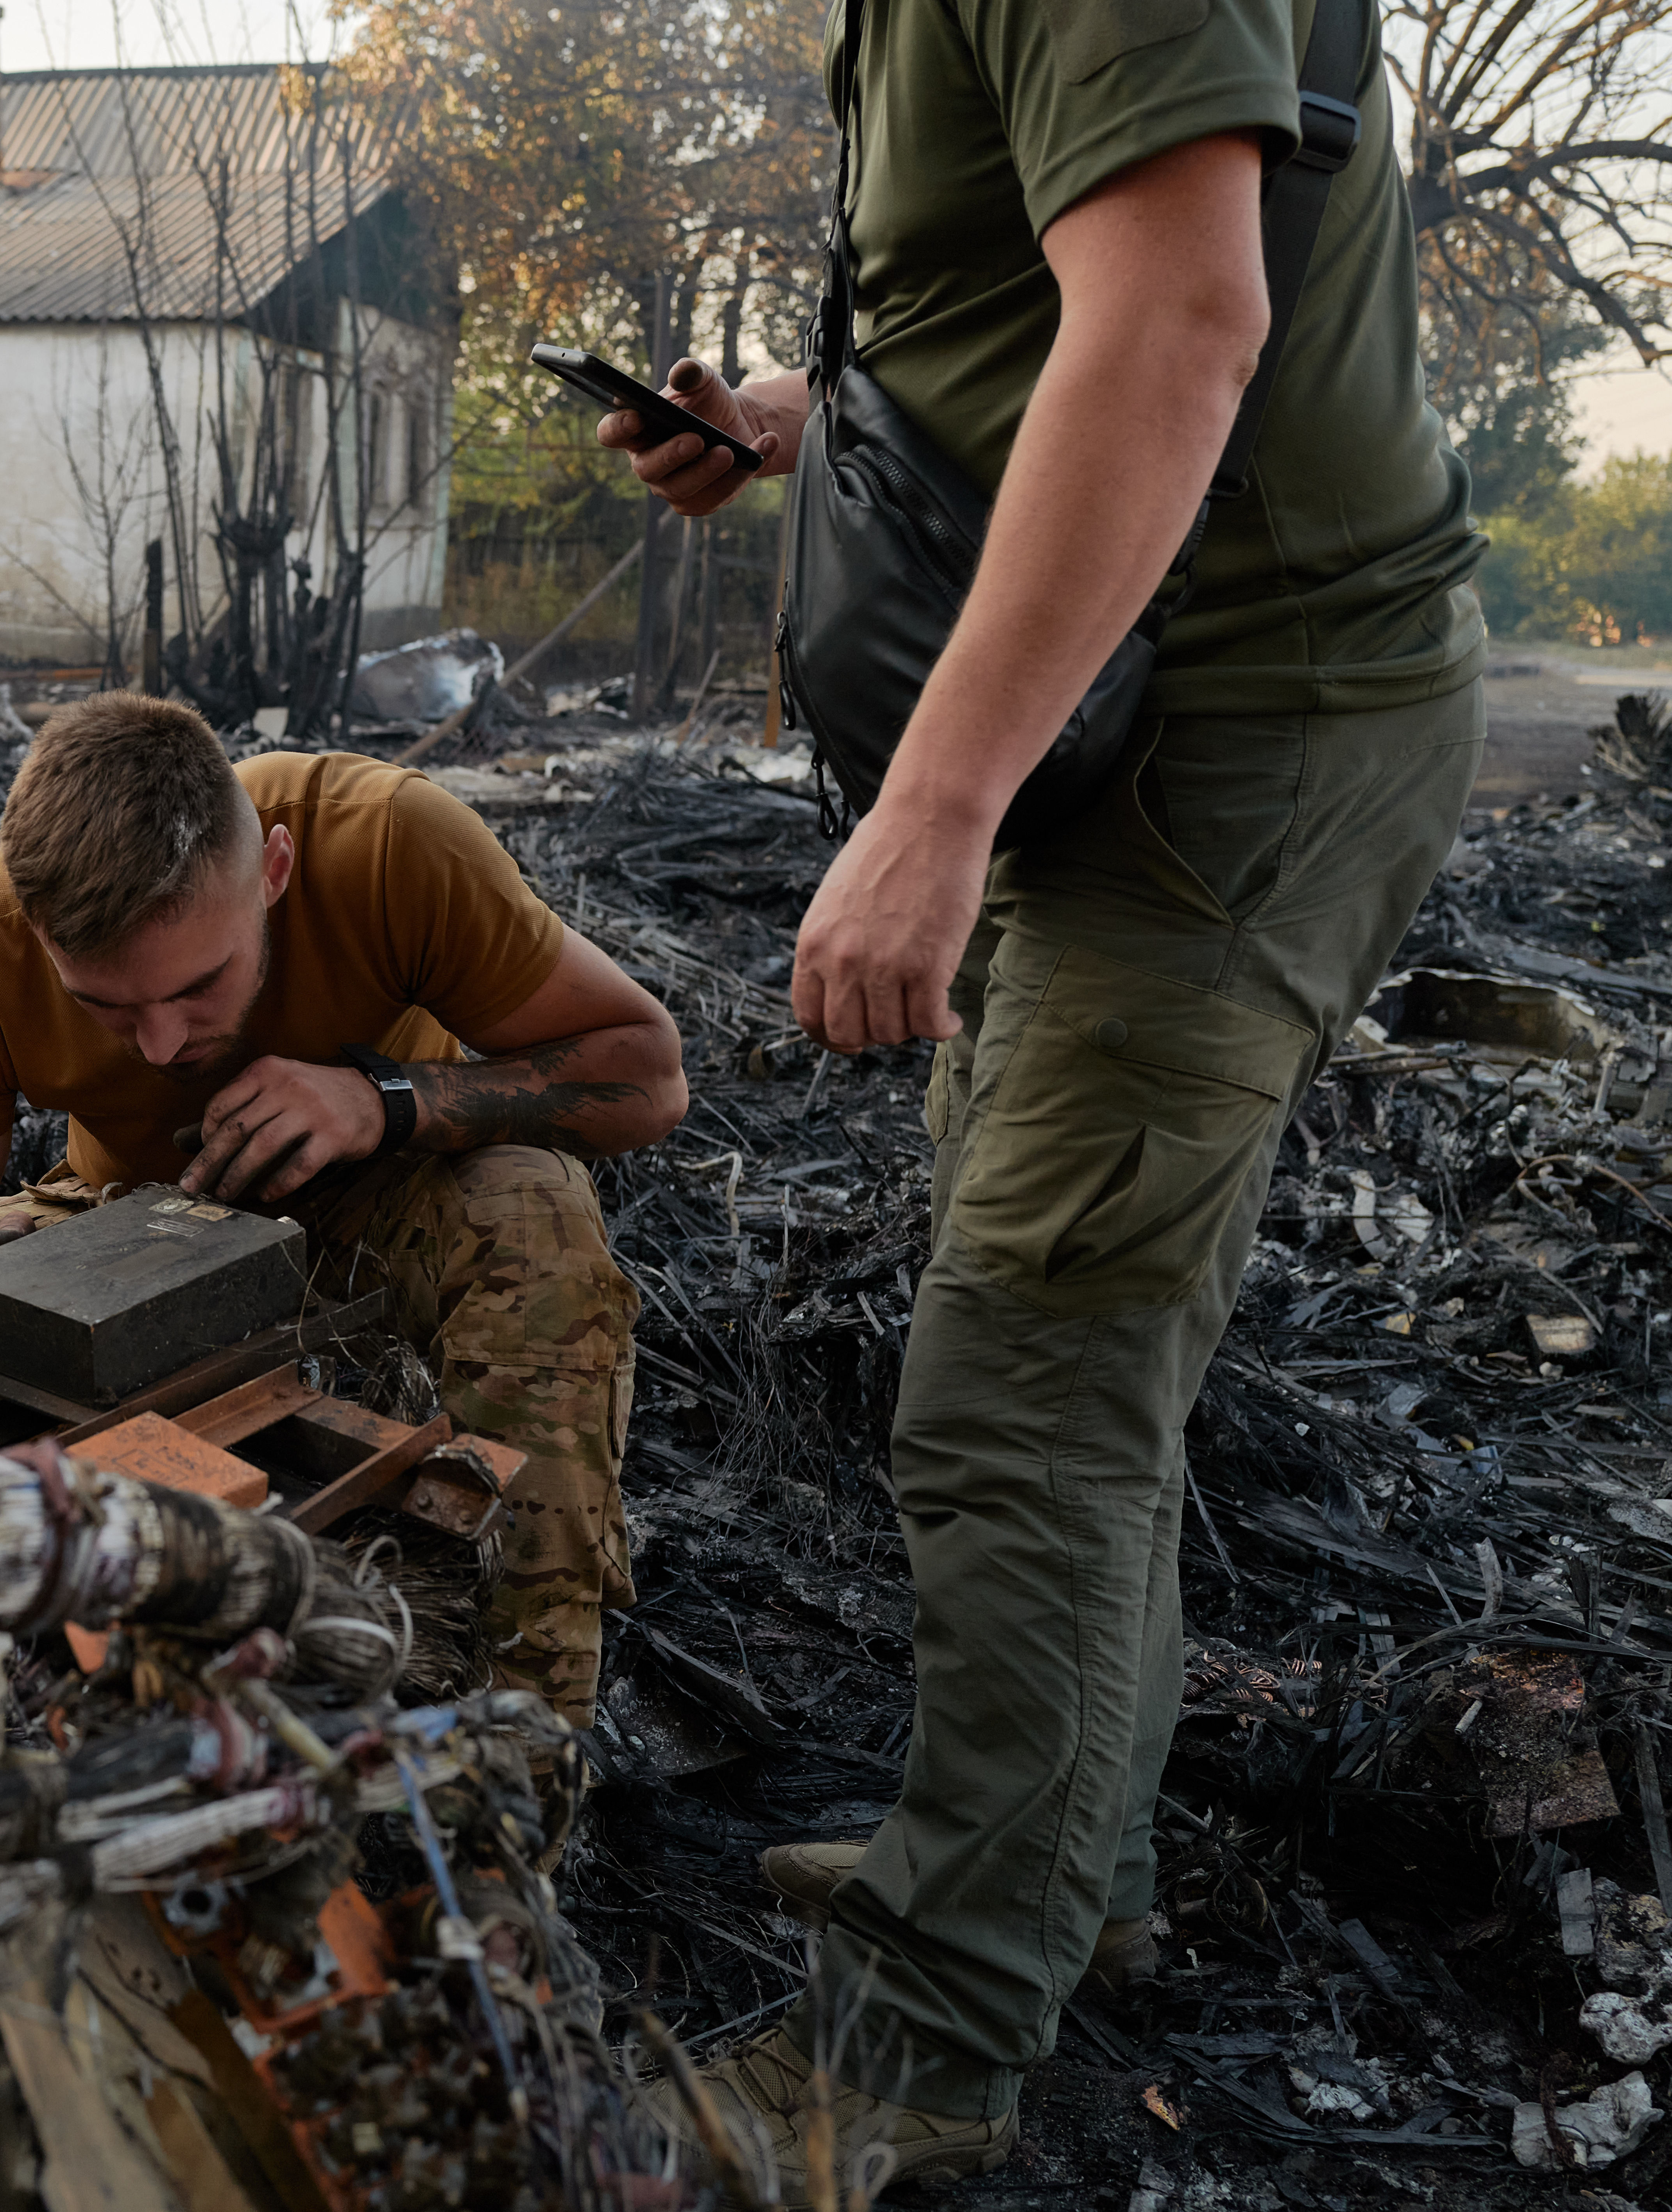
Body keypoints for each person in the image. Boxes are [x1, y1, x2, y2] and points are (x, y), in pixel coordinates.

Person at [597, 0, 1482, 2186]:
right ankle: (1053, 1883)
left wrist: (937, 799)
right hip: (1141, 714)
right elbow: (1057, 280)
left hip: (1224, 735)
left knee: (1025, 1392)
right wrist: (816, 418)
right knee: (1077, 1384)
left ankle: (914, 2053)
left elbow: (1181, 319)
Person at [0, 697, 688, 1727]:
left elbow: (649, 1078)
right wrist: (16, 1321)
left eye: (199, 986)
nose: (157, 1047)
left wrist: (388, 1098)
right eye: (104, 1005)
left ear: (272, 871)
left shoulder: (386, 845)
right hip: (127, 1219)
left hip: (385, 1188)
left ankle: (526, 1743)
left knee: (536, 1214)